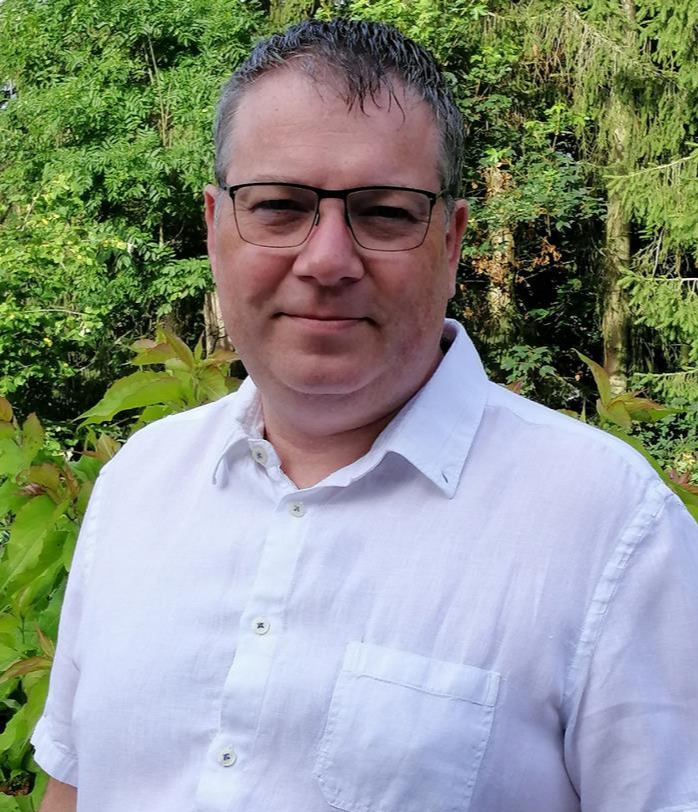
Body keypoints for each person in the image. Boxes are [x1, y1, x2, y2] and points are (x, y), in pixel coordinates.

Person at [33, 18, 698, 812]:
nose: (326, 261)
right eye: (279, 206)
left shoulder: (613, 532)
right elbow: (72, 788)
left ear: (450, 241)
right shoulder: (139, 484)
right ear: (214, 227)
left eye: (383, 213)